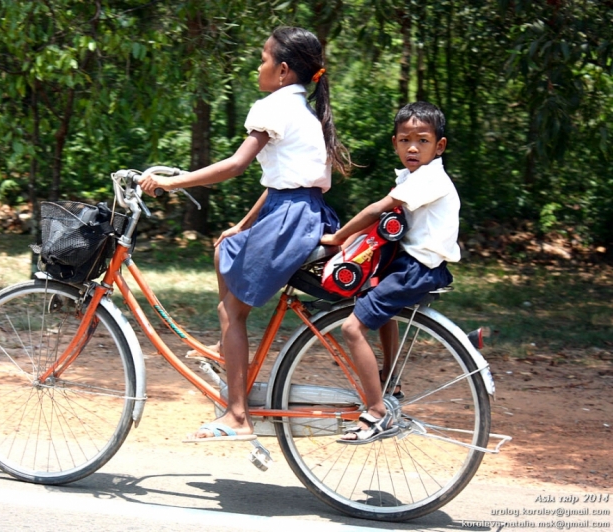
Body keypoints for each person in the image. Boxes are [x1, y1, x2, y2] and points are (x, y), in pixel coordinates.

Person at [140, 26, 348, 442]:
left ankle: (237, 417)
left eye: (264, 58)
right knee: (227, 247)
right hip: (302, 212)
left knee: (231, 312)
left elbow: (236, 165)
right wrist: (241, 225)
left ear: (284, 70)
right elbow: (284, 184)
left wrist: (172, 182)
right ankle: (228, 353)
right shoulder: (306, 113)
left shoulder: (273, 107)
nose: (259, 65)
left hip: (289, 218)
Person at [320, 101, 460, 444]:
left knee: (353, 327)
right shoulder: (415, 176)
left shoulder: (430, 178)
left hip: (418, 268)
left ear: (439, 146)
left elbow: (376, 210)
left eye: (422, 140)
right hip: (410, 263)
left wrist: (338, 237)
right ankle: (390, 380)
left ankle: (376, 412)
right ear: (394, 142)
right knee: (381, 310)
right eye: (404, 140)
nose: (412, 147)